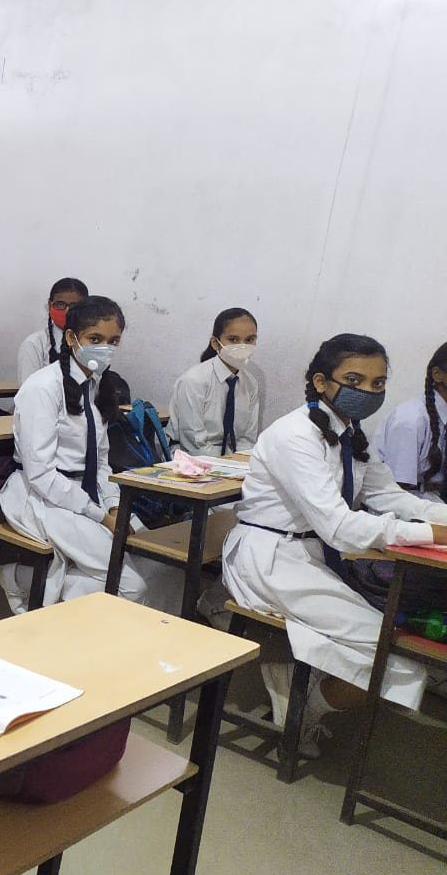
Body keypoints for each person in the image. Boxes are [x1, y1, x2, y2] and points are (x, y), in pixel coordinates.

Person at [222, 334, 447, 758]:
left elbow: (392, 498)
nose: (368, 392)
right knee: (396, 650)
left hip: (312, 557)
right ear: (321, 382)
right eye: (355, 380)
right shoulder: (294, 435)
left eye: (378, 383)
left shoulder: (351, 435)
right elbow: (338, 527)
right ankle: (305, 707)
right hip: (271, 557)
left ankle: (299, 690)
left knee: (395, 646)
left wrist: (440, 519)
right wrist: (431, 535)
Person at [0, 296, 172, 613]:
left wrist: (114, 506)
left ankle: (46, 587)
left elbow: (101, 461)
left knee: (158, 564)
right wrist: (101, 517)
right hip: (43, 497)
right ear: (71, 337)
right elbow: (41, 475)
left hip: (88, 493)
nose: (105, 348)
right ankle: (22, 580)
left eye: (113, 341)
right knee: (130, 585)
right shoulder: (43, 388)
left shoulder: (97, 386)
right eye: (95, 339)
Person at [169, 308, 260, 456]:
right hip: (189, 457)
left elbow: (247, 439)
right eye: (233, 339)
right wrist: (224, 462)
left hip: (231, 458)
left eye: (249, 339)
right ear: (215, 343)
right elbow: (194, 444)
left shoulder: (251, 383)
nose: (242, 346)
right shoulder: (194, 381)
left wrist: (240, 461)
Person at [374, 341, 447, 502]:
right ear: (437, 374)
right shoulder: (411, 420)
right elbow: (397, 491)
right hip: (408, 506)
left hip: (435, 502)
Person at [17, 278, 88, 386]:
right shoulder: (34, 345)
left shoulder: (93, 342)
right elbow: (28, 388)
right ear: (50, 305)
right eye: (60, 304)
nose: (67, 311)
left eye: (74, 306)